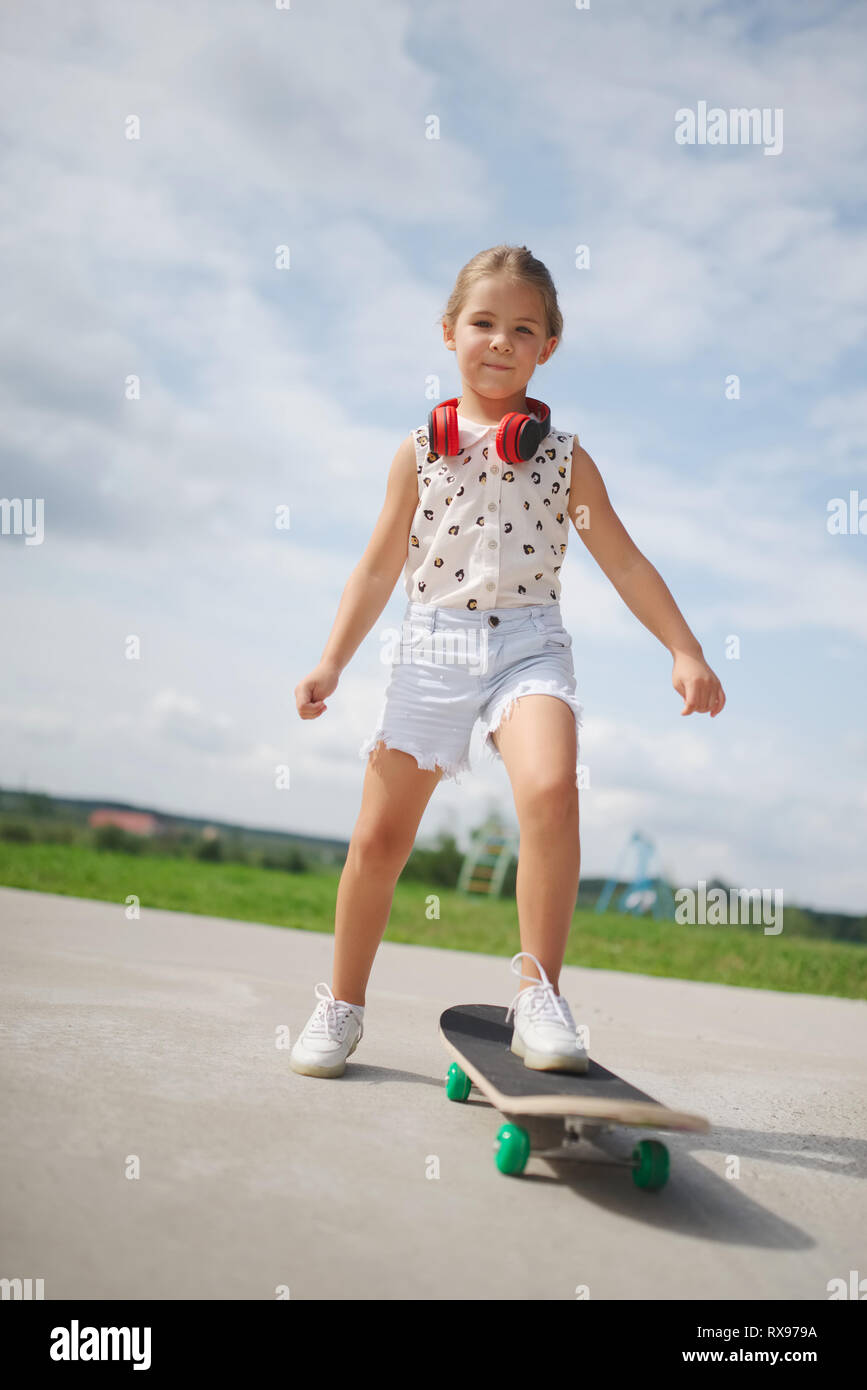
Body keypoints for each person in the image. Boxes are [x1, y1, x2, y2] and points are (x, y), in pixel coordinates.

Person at [290, 243, 725, 1079]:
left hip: (528, 643)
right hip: (432, 642)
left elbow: (625, 563)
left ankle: (540, 995)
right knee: (379, 839)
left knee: (552, 790)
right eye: (482, 323)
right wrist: (331, 660)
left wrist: (684, 648)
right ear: (448, 331)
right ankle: (340, 1006)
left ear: (547, 348)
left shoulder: (565, 461)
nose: (499, 341)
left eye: (521, 329)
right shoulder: (416, 451)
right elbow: (378, 566)